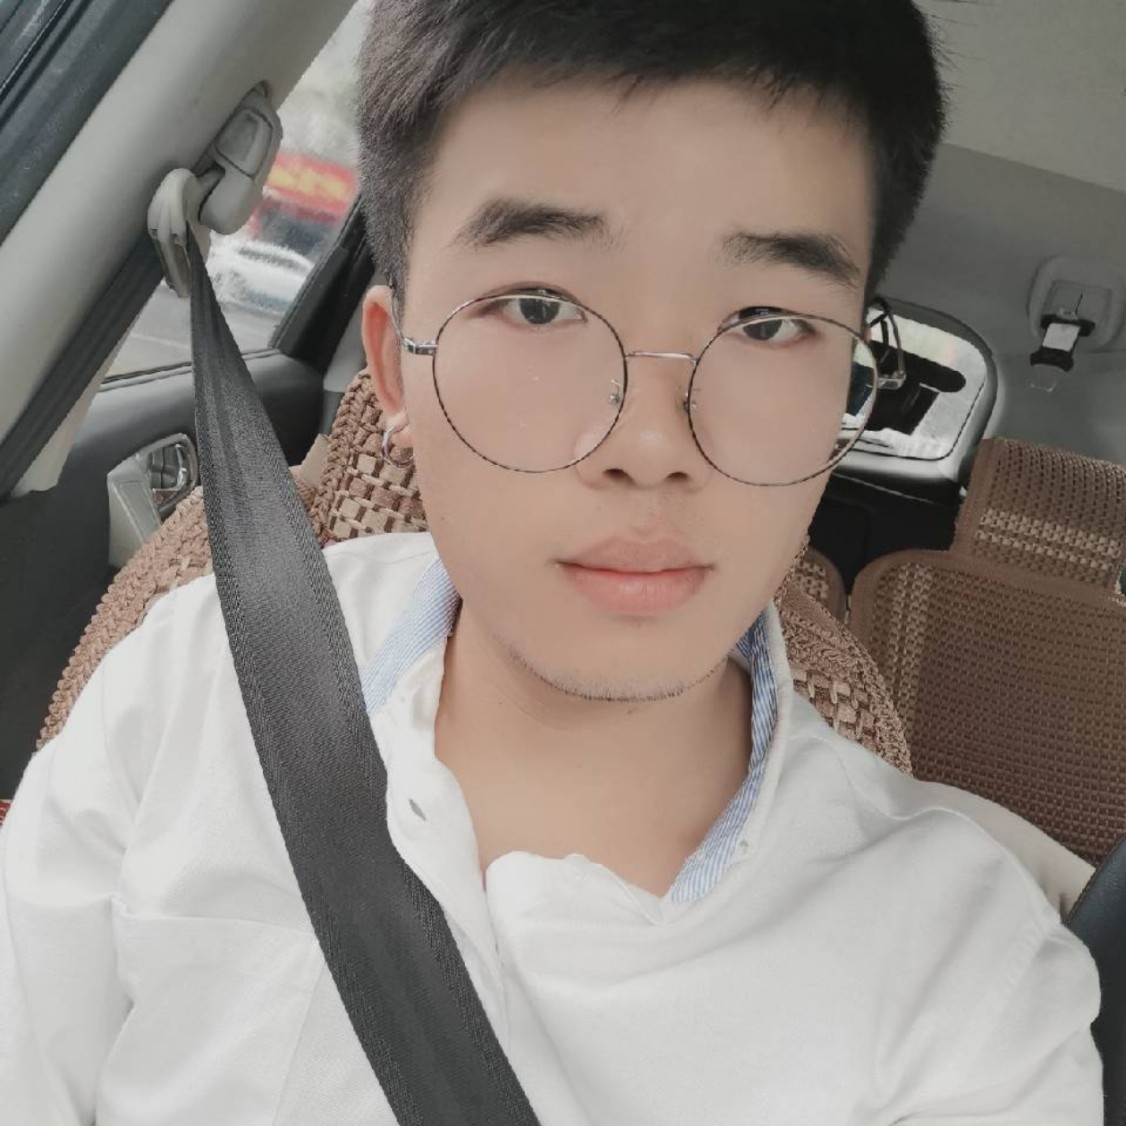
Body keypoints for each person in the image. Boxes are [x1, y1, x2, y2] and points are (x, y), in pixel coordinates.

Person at [0, 0, 1102, 1121]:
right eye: (538, 305)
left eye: (769, 324)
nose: (652, 444)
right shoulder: (199, 680)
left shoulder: (965, 980)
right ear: (395, 372)